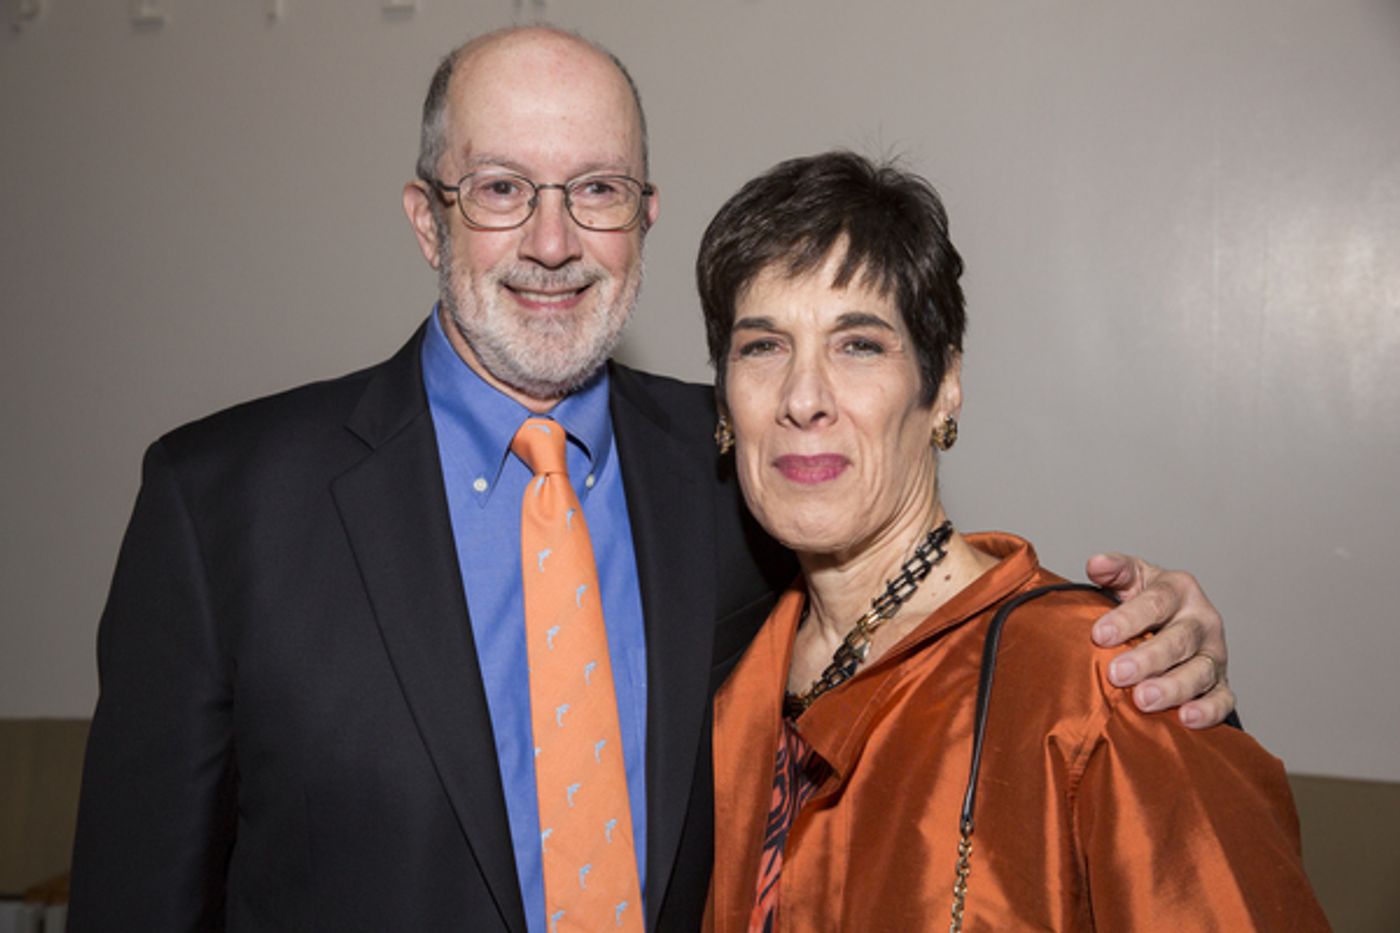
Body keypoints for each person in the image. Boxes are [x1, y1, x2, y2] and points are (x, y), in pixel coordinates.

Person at [69, 26, 1234, 933]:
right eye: (499, 188)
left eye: (596, 189)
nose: (551, 239)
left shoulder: (737, 465)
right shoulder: (220, 506)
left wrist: (1157, 651)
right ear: (427, 219)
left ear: (644, 216)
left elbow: (926, 610)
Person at [696, 151, 1327, 931]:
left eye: (858, 343)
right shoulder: (721, 679)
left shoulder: (1103, 684)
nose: (803, 397)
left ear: (944, 384)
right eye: (763, 346)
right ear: (724, 399)